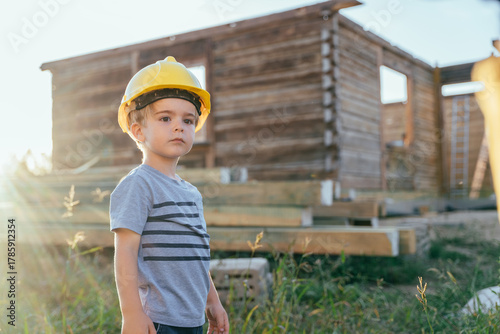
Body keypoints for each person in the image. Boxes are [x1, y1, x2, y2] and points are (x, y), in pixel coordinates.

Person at [110, 56, 229, 334]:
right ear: (138, 130)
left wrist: (213, 301)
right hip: (158, 321)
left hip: (192, 320)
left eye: (188, 120)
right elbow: (125, 253)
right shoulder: (138, 185)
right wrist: (132, 315)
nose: (179, 126)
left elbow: (195, 256)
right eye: (166, 118)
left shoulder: (192, 193)